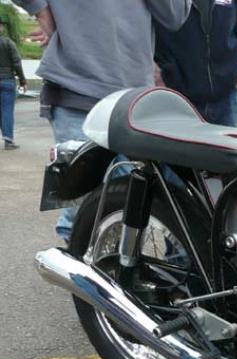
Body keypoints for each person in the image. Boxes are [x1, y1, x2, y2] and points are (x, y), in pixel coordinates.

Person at [11, 0, 191, 241]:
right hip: (77, 88)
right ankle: (79, 256)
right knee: (83, 213)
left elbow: (175, 15)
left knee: (130, 207)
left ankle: (106, 260)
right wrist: (41, 10)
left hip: (133, 98)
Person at [155, 0, 237, 127]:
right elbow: (142, 28)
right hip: (177, 99)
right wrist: (156, 69)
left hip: (226, 101)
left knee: (227, 141)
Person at [0, 18, 26, 150]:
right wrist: (22, 80)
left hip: (7, 80)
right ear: (1, 27)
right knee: (7, 110)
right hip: (7, 80)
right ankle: (8, 141)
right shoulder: (8, 43)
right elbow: (17, 62)